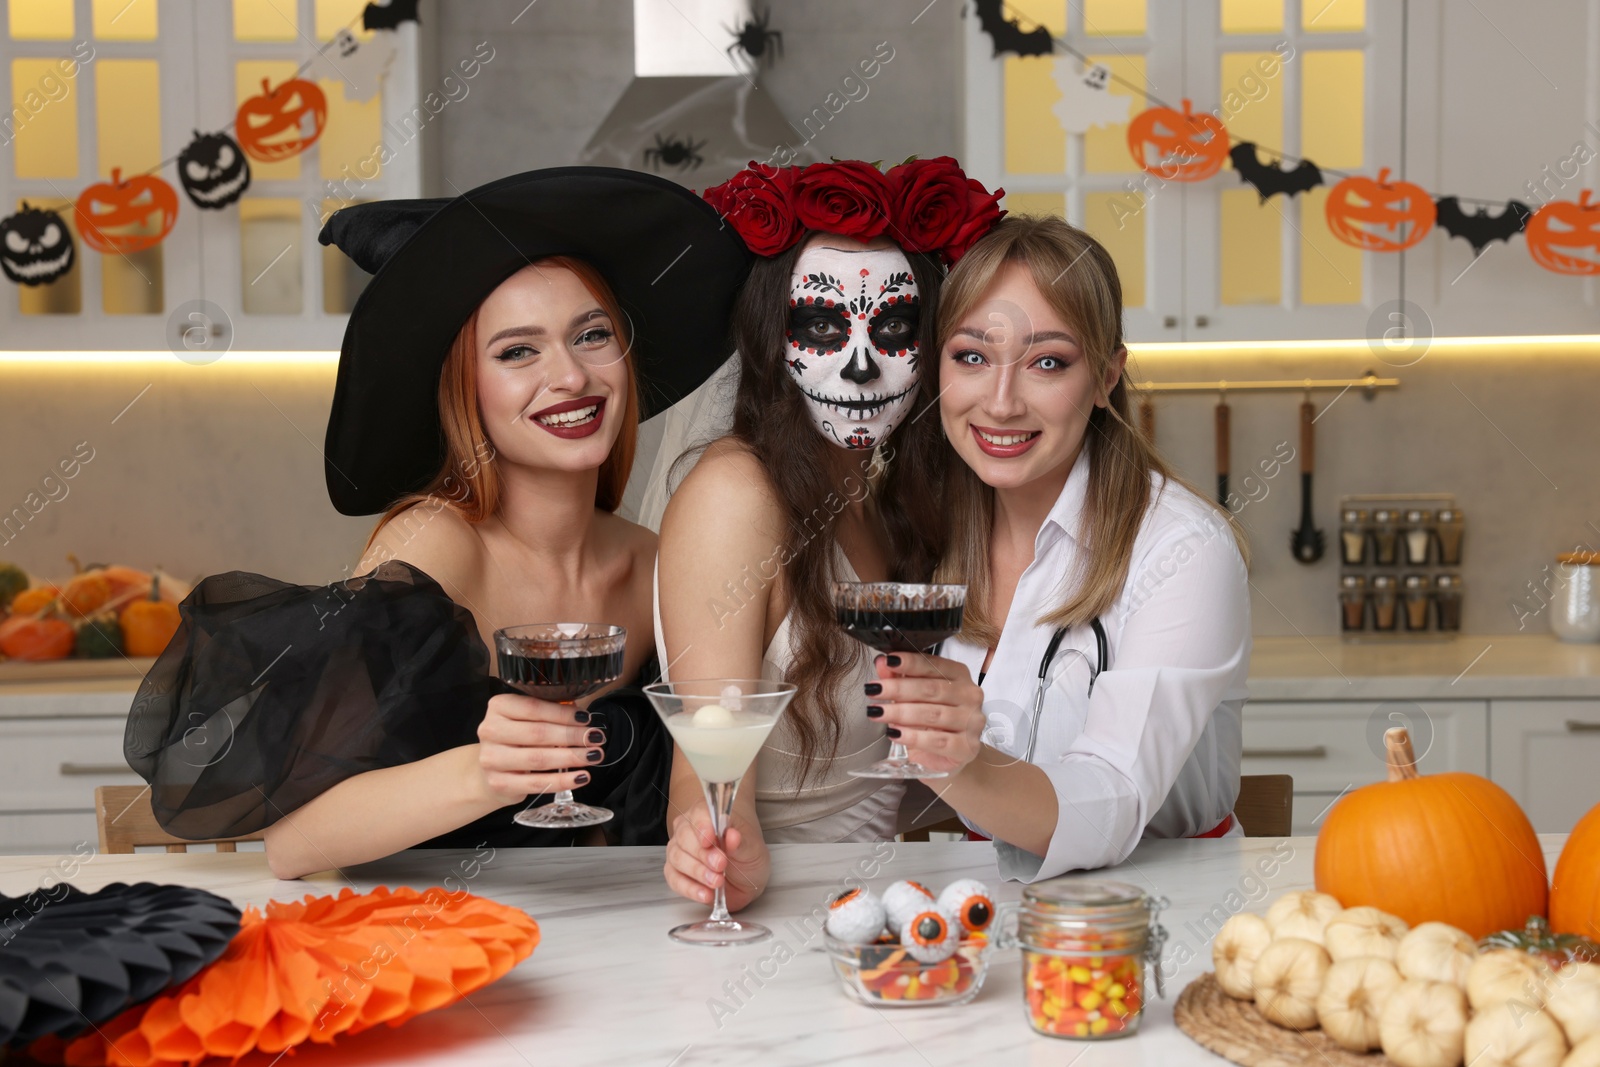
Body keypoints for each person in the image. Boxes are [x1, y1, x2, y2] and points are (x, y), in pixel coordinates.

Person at [123, 168, 751, 878]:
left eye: (592, 334)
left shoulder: (658, 564)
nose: (572, 376)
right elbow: (294, 845)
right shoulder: (436, 546)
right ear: (466, 390)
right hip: (425, 941)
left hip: (596, 941)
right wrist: (488, 771)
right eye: (518, 350)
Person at [654, 158, 1004, 910]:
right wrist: (711, 842)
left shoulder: (879, 498)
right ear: (771, 340)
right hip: (782, 917)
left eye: (895, 326)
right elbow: (709, 753)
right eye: (820, 325)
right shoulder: (736, 495)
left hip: (886, 911)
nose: (858, 365)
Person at [863, 214, 1251, 882]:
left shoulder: (1183, 549)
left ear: (1105, 378)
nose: (1002, 401)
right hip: (980, 908)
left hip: (1159, 913)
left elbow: (1115, 800)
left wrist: (961, 759)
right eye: (972, 356)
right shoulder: (922, 530)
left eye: (1047, 362)